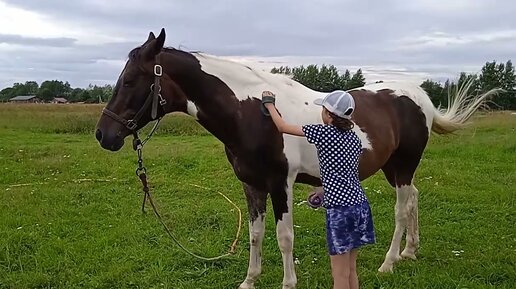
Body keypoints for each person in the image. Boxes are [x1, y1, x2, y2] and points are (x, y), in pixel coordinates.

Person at [262, 90, 375, 289]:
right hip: (360, 206)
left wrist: (269, 104)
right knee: (350, 270)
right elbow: (345, 173)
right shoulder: (354, 139)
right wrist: (324, 191)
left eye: (323, 110)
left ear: (329, 114)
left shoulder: (322, 133)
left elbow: (282, 127)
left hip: (341, 211)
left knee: (339, 275)